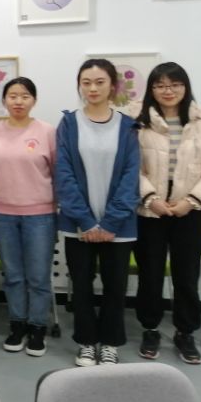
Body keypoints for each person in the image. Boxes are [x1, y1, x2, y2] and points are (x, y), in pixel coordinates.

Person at [56, 59, 140, 367]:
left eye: (100, 82)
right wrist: (87, 221)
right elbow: (63, 174)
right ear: (79, 85)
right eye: (86, 82)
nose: (92, 88)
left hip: (119, 225)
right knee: (81, 285)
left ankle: (111, 343)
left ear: (112, 86)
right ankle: (86, 342)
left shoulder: (128, 126)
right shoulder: (69, 124)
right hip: (78, 223)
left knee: (115, 286)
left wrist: (111, 222)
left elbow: (131, 176)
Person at [130, 62, 201, 365]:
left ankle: (185, 332)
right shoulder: (138, 122)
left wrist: (191, 200)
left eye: (175, 84)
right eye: (160, 85)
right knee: (150, 274)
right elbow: (130, 167)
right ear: (151, 89)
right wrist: (150, 198)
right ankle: (150, 329)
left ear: (185, 87)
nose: (168, 90)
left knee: (186, 276)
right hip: (150, 213)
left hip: (190, 212)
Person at [0, 77, 57, 356]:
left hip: (40, 215)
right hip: (3, 214)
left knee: (38, 277)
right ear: (4, 100)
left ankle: (38, 327)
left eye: (25, 96)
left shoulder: (47, 131)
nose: (18, 101)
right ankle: (17, 325)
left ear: (34, 100)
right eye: (12, 96)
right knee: (13, 275)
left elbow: (58, 171)